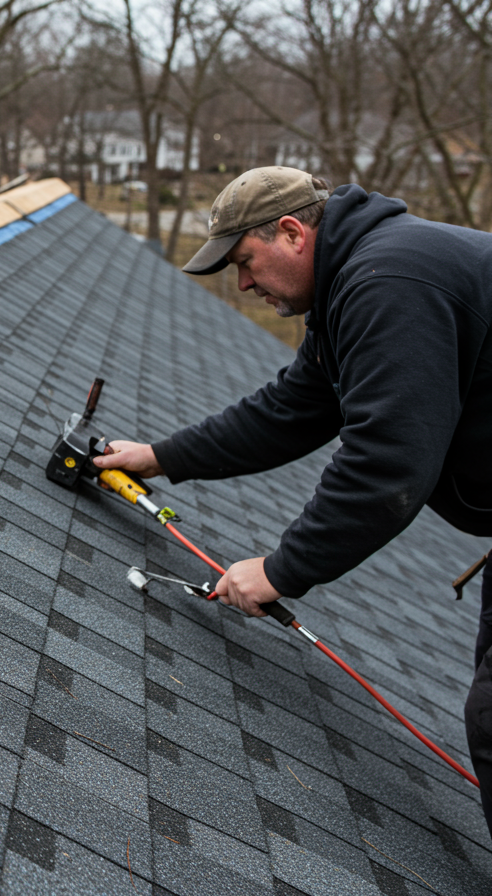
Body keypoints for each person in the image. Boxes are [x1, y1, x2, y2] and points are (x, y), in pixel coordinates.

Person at [91, 166, 492, 831]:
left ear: (292, 232)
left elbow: (388, 464)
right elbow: (289, 411)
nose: (243, 284)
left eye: (246, 263)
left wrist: (281, 571)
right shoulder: (355, 285)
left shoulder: (386, 284)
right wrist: (157, 457)